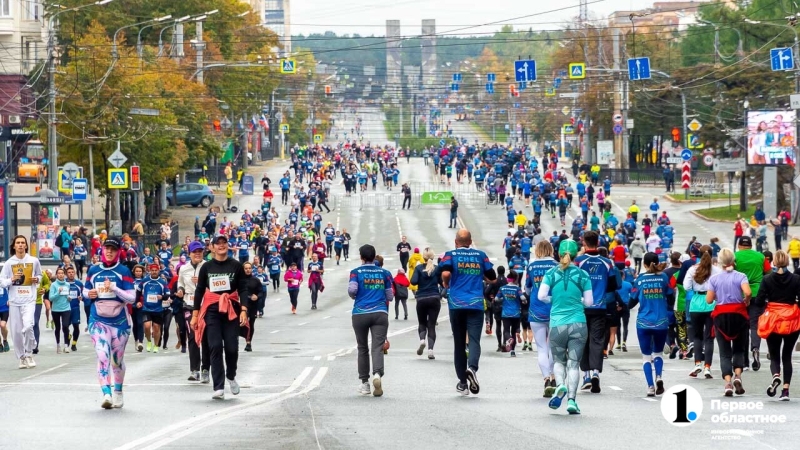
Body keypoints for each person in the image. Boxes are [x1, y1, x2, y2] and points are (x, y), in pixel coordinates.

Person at [537, 240, 593, 414]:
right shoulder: (583, 274)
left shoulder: (551, 273)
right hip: (578, 323)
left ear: (558, 254)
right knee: (574, 364)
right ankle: (571, 400)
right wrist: (579, 301)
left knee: (559, 361)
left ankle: (560, 384)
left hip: (557, 324)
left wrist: (554, 300)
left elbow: (541, 296)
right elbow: (590, 302)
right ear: (577, 254)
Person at [191, 234, 249, 400]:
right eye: (218, 243)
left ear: (228, 246)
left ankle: (231, 375)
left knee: (231, 348)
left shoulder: (236, 266)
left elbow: (243, 289)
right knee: (215, 346)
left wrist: (244, 310)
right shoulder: (207, 267)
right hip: (212, 311)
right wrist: (195, 315)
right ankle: (218, 386)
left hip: (230, 310)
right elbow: (200, 290)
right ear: (212, 247)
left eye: (224, 243)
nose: (221, 246)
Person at [83, 236, 136, 408]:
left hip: (120, 322)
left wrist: (114, 288)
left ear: (118, 251)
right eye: (107, 248)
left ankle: (118, 391)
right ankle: (106, 393)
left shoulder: (124, 271)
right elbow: (85, 290)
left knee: (116, 360)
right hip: (98, 320)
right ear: (102, 250)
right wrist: (88, 294)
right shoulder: (93, 270)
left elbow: (132, 298)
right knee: (102, 355)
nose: (109, 251)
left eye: (113, 249)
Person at [439, 229, 493, 396]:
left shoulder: (450, 255)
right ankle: (472, 368)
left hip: (456, 303)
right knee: (475, 340)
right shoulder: (481, 255)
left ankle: (463, 383)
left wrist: (446, 283)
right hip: (476, 303)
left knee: (459, 343)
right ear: (470, 241)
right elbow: (491, 276)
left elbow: (446, 272)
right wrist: (481, 276)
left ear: (456, 242)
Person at [574, 231, 618, 393]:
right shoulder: (607, 262)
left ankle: (585, 375)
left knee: (581, 340)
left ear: (584, 243)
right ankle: (595, 373)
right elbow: (613, 285)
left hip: (581, 307)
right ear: (598, 241)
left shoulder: (578, 261)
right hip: (600, 306)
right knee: (597, 340)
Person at [348, 244, 394, 397]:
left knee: (362, 348)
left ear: (361, 257)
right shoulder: (385, 273)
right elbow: (390, 296)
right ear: (374, 257)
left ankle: (365, 383)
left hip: (360, 313)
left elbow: (352, 291)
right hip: (380, 313)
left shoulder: (355, 273)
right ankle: (377, 374)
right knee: (377, 347)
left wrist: (357, 295)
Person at [755, 250, 800, 401]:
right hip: (791, 321)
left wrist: (767, 304)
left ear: (773, 262)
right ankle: (785, 390)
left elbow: (759, 300)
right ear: (787, 262)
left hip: (773, 320)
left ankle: (776, 375)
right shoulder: (796, 279)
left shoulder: (767, 279)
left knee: (774, 355)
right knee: (787, 355)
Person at [707, 248, 752, 397]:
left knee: (725, 352)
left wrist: (717, 297)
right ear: (733, 261)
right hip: (738, 315)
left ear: (719, 262)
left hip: (721, 316)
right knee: (739, 349)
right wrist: (746, 300)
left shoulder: (714, 279)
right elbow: (748, 292)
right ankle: (738, 376)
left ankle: (728, 382)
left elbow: (708, 299)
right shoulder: (741, 276)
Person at [629, 253, 672, 397]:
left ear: (644, 264)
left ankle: (650, 387)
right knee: (658, 353)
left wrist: (622, 306)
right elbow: (670, 295)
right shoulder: (664, 278)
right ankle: (659, 376)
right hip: (661, 321)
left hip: (643, 322)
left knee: (646, 357)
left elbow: (632, 301)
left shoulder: (639, 280)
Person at [0, 235, 43, 369]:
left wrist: (37, 279)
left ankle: (29, 353)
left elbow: (40, 275)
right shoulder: (9, 263)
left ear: (26, 246)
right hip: (14, 301)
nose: (20, 245)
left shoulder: (34, 260)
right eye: (17, 243)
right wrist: (11, 280)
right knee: (17, 332)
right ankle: (21, 357)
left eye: (22, 243)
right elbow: (2, 282)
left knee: (29, 325)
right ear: (14, 246)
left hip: (29, 299)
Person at [525, 241, 559, 397]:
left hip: (536, 309)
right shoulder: (557, 266)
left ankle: (546, 378)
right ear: (551, 250)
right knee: (552, 346)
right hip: (555, 309)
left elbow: (527, 288)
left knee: (541, 348)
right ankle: (553, 376)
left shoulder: (531, 266)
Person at [684, 246, 722, 379]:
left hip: (696, 304)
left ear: (698, 255)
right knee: (709, 338)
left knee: (697, 336)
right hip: (711, 304)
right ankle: (707, 367)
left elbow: (686, 286)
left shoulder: (692, 269)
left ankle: (697, 363)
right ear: (712, 255)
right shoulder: (717, 270)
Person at [176, 241, 210, 383]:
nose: (197, 254)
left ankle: (205, 370)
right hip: (189, 306)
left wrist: (203, 281)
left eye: (200, 251)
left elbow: (216, 284)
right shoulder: (184, 269)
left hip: (206, 306)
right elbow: (180, 283)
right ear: (189, 253)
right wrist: (180, 291)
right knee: (193, 338)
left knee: (206, 339)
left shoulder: (208, 266)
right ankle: (194, 370)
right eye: (195, 252)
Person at [734, 236, 770, 371]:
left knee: (742, 326)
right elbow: (769, 273)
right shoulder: (760, 257)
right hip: (758, 293)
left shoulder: (735, 256)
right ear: (751, 245)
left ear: (739, 246)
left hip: (741, 294)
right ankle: (755, 348)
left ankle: (744, 360)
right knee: (755, 325)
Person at [411, 248, 441, 360]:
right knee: (432, 325)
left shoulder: (419, 268)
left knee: (422, 322)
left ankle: (422, 340)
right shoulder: (436, 269)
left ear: (423, 257)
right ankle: (430, 351)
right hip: (434, 297)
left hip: (422, 298)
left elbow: (413, 281)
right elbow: (442, 282)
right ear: (433, 257)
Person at [137, 264, 170, 353]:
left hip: (158, 309)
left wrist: (162, 297)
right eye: (152, 270)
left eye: (156, 270)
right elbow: (138, 291)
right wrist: (138, 301)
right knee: (147, 326)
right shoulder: (145, 281)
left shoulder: (162, 282)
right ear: (150, 271)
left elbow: (167, 295)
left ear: (158, 271)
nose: (154, 272)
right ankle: (148, 341)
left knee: (156, 328)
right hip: (146, 308)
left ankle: (156, 345)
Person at [49, 268, 72, 354]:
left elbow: (67, 295)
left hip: (66, 308)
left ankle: (66, 345)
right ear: (56, 275)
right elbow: (51, 298)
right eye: (59, 273)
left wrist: (69, 298)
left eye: (62, 273)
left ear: (64, 274)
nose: (61, 275)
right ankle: (58, 345)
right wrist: (58, 292)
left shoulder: (67, 285)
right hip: (56, 309)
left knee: (65, 326)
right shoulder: (53, 285)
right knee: (57, 328)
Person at [242, 262, 263, 352]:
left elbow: (261, 291)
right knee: (242, 324)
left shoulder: (255, 280)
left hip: (252, 305)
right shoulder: (239, 280)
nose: (248, 270)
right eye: (246, 268)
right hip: (242, 305)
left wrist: (257, 296)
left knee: (251, 324)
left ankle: (248, 342)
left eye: (249, 268)